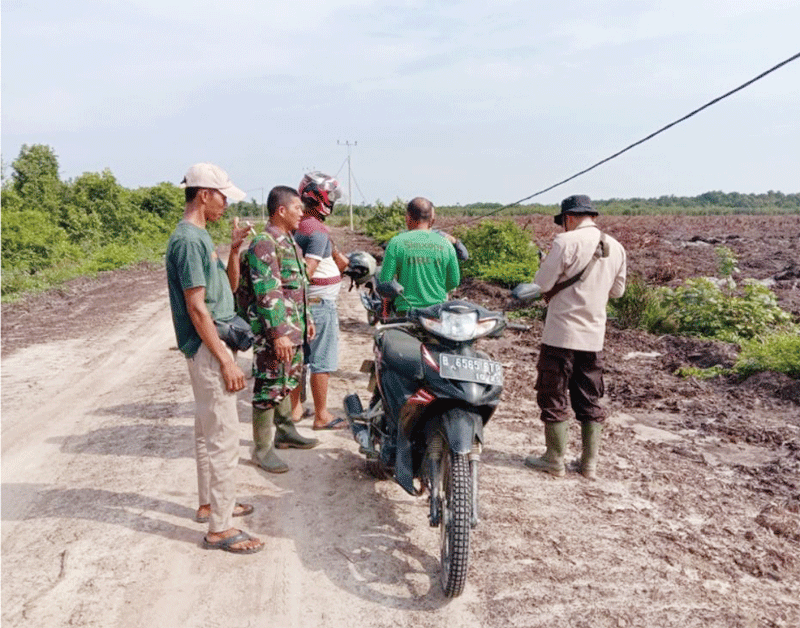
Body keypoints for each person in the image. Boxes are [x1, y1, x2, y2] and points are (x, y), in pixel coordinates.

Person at [165, 162, 263, 554]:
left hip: (208, 348)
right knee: (223, 439)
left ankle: (210, 504)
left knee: (207, 433)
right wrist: (225, 359)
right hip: (209, 349)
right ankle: (220, 528)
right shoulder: (189, 241)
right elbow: (197, 307)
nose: (226, 204)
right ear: (204, 194)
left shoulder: (202, 238)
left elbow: (229, 289)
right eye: (223, 196)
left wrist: (235, 249)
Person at [524, 194, 627, 480]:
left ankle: (554, 459)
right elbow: (617, 291)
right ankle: (588, 464)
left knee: (554, 393)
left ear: (568, 218)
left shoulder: (564, 242)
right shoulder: (616, 247)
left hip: (561, 333)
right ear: (591, 216)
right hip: (594, 336)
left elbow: (542, 284)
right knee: (590, 398)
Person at [236, 185, 319, 474]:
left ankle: (285, 432)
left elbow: (295, 289)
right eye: (297, 208)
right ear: (281, 211)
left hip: (292, 327)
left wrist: (306, 320)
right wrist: (278, 333)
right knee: (269, 387)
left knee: (287, 380)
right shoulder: (265, 243)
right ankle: (262, 449)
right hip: (275, 332)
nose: (301, 214)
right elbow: (267, 292)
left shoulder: (288, 241)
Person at [291, 172, 350, 431]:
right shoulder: (316, 231)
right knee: (321, 362)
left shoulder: (300, 226)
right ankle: (321, 415)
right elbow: (308, 270)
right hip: (319, 305)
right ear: (319, 198)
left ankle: (295, 409)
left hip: (304, 304)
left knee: (300, 358)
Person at [379, 197, 461, 312]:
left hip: (406, 311)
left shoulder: (396, 243)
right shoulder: (446, 244)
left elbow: (385, 281)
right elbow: (454, 281)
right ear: (432, 219)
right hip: (437, 312)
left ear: (407, 217)